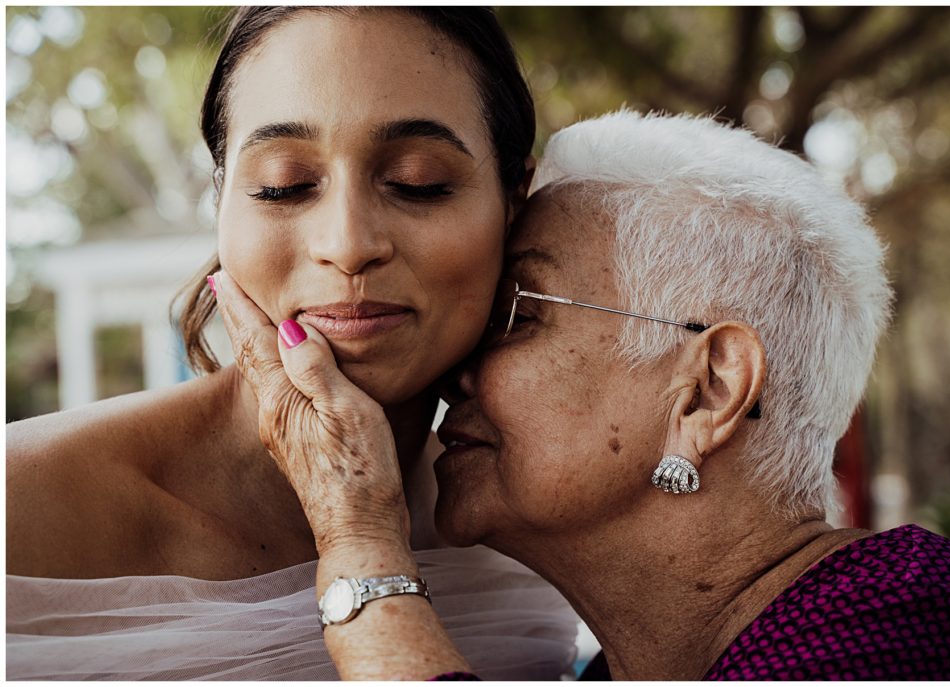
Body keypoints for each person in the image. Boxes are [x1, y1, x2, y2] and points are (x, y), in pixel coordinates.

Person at [216, 109, 950, 680]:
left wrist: (361, 545)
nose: (458, 363)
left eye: (514, 313)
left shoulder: (913, 622)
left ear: (707, 391)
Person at [6, 8, 579, 680]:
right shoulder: (19, 511)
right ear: (222, 202)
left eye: (419, 182)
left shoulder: (532, 530)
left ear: (514, 203)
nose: (348, 244)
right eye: (283, 184)